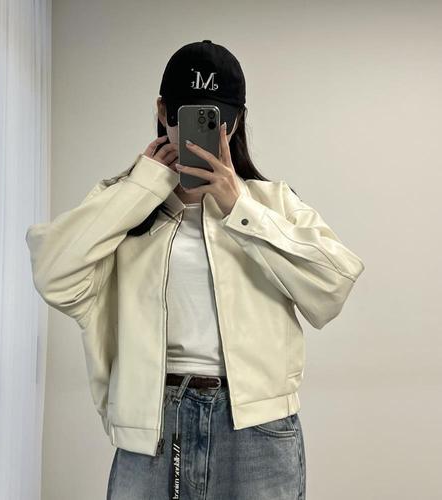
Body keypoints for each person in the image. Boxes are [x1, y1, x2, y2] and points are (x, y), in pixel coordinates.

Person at [26, 40, 366, 500]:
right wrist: (144, 187)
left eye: (215, 119)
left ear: (236, 121)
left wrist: (239, 208)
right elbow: (52, 273)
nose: (199, 134)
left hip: (256, 431)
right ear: (163, 111)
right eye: (187, 115)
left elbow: (333, 287)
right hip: (152, 427)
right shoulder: (121, 206)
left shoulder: (272, 203)